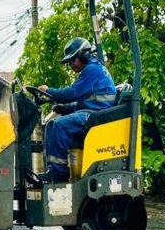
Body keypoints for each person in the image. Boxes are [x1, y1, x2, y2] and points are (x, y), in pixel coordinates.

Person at [36, 37, 118, 182]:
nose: (71, 65)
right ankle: (53, 170)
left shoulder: (92, 70)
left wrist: (49, 91)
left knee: (60, 125)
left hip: (98, 116)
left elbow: (71, 93)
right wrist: (65, 108)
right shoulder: (92, 70)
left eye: (73, 60)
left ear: (83, 55)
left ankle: (59, 173)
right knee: (51, 124)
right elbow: (85, 103)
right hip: (92, 112)